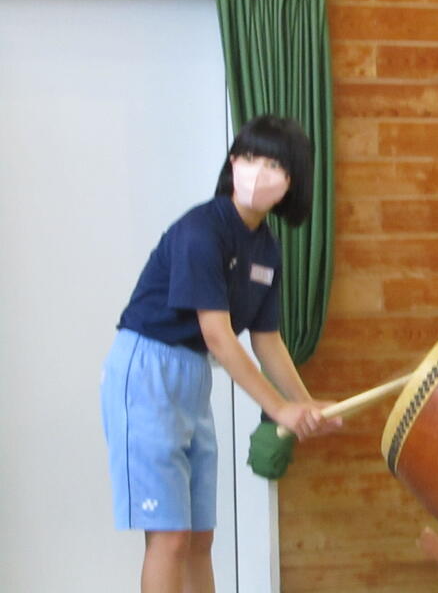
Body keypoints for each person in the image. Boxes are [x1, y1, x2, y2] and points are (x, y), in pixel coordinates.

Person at [100, 114, 341, 592]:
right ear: (232, 163)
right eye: (248, 157)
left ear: (292, 181)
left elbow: (267, 339)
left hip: (192, 377)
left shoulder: (267, 250)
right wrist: (279, 409)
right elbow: (218, 335)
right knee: (169, 537)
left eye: (274, 164)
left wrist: (305, 402)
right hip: (146, 371)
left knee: (198, 538)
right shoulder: (201, 230)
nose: (257, 171)